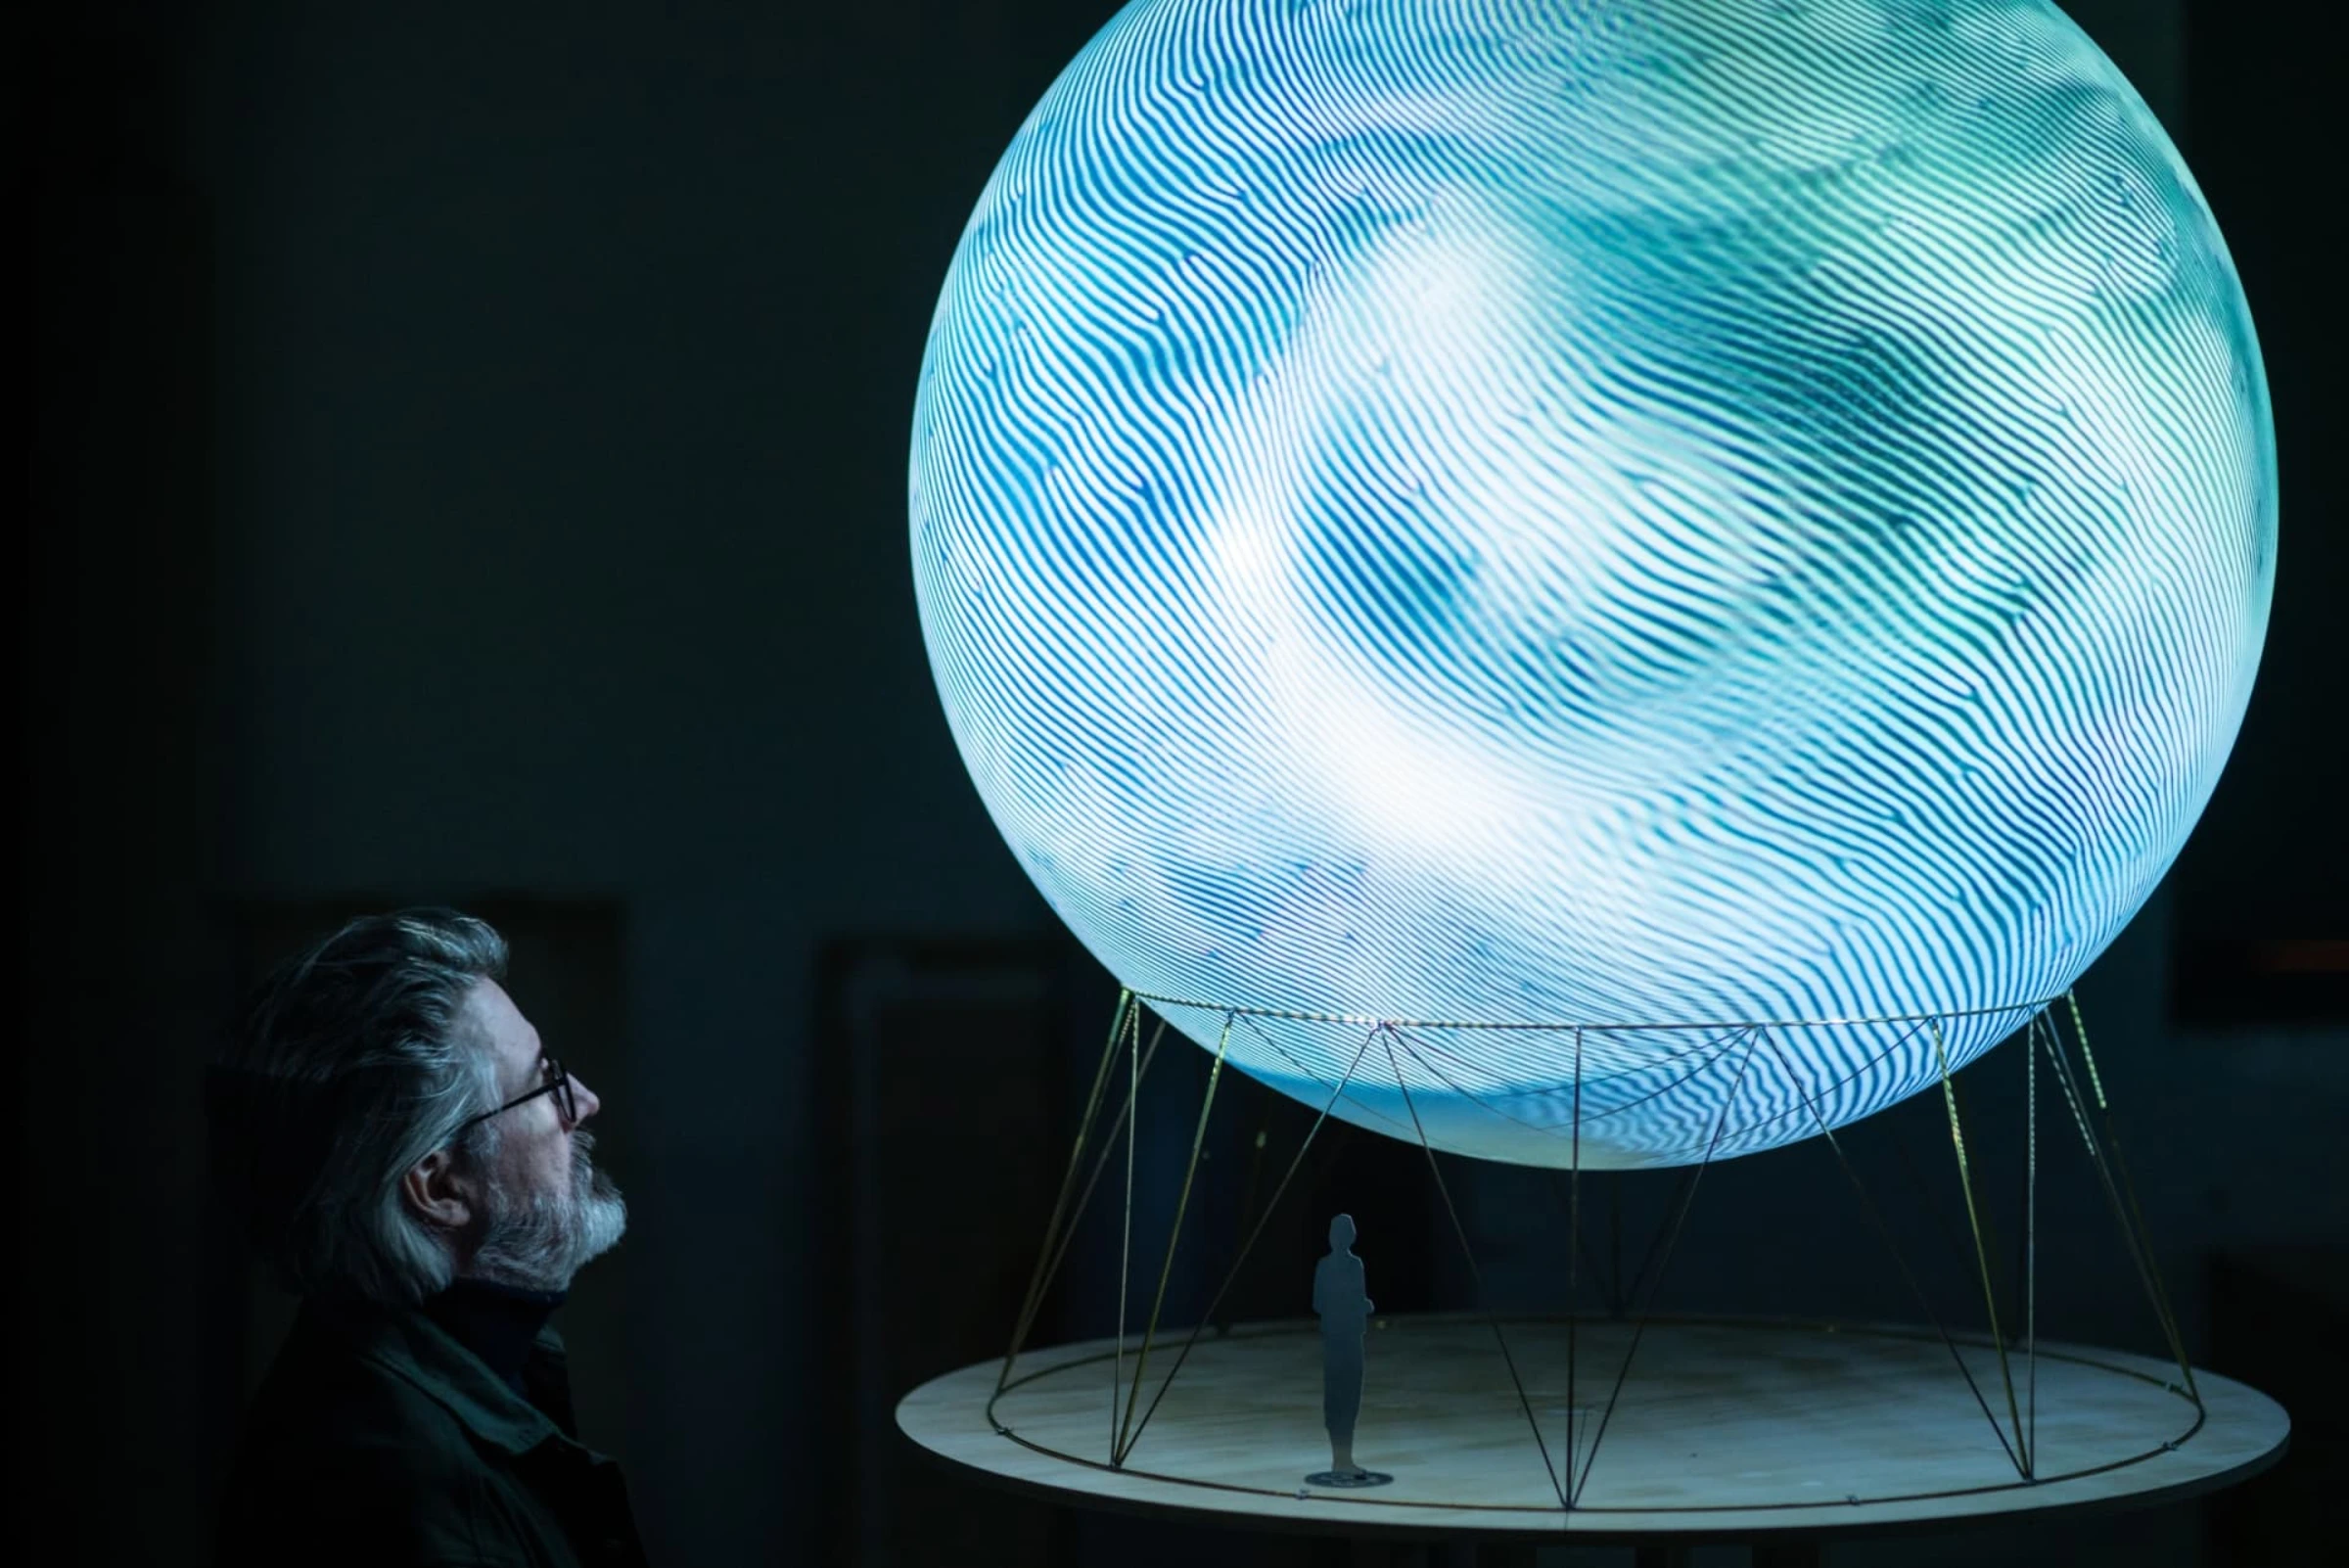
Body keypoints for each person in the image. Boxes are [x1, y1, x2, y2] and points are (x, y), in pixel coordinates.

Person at [207, 909, 645, 1567]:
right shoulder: (411, 1493)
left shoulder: (426, 1381)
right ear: (440, 1187)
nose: (583, 1101)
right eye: (544, 1081)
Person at [1312, 1212, 1374, 1479]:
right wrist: (1356, 1306)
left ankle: (1341, 1459)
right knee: (1342, 1398)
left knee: (1343, 1398)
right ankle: (1342, 1459)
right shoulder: (1350, 1266)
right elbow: (1323, 1302)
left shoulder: (1333, 1266)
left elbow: (1319, 1302)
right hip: (1344, 1338)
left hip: (1341, 1337)